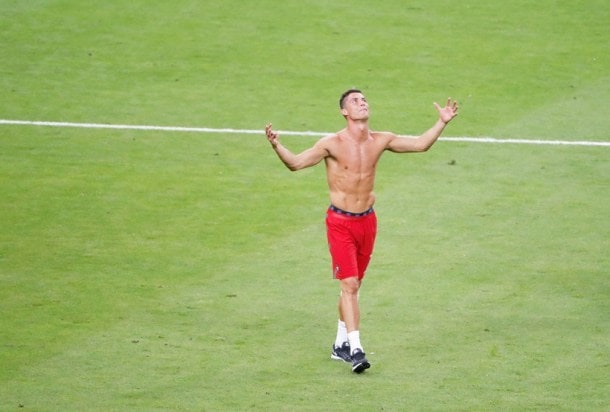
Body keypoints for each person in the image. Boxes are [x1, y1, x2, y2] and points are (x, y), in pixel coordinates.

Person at [265, 89, 458, 373]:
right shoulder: (331, 143)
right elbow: (295, 163)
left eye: (364, 99)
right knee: (350, 285)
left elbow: (420, 144)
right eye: (355, 101)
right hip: (340, 223)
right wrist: (277, 145)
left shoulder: (380, 140)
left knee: (353, 287)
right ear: (344, 111)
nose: (362, 102)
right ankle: (356, 349)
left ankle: (339, 344)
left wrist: (441, 122)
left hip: (367, 221)